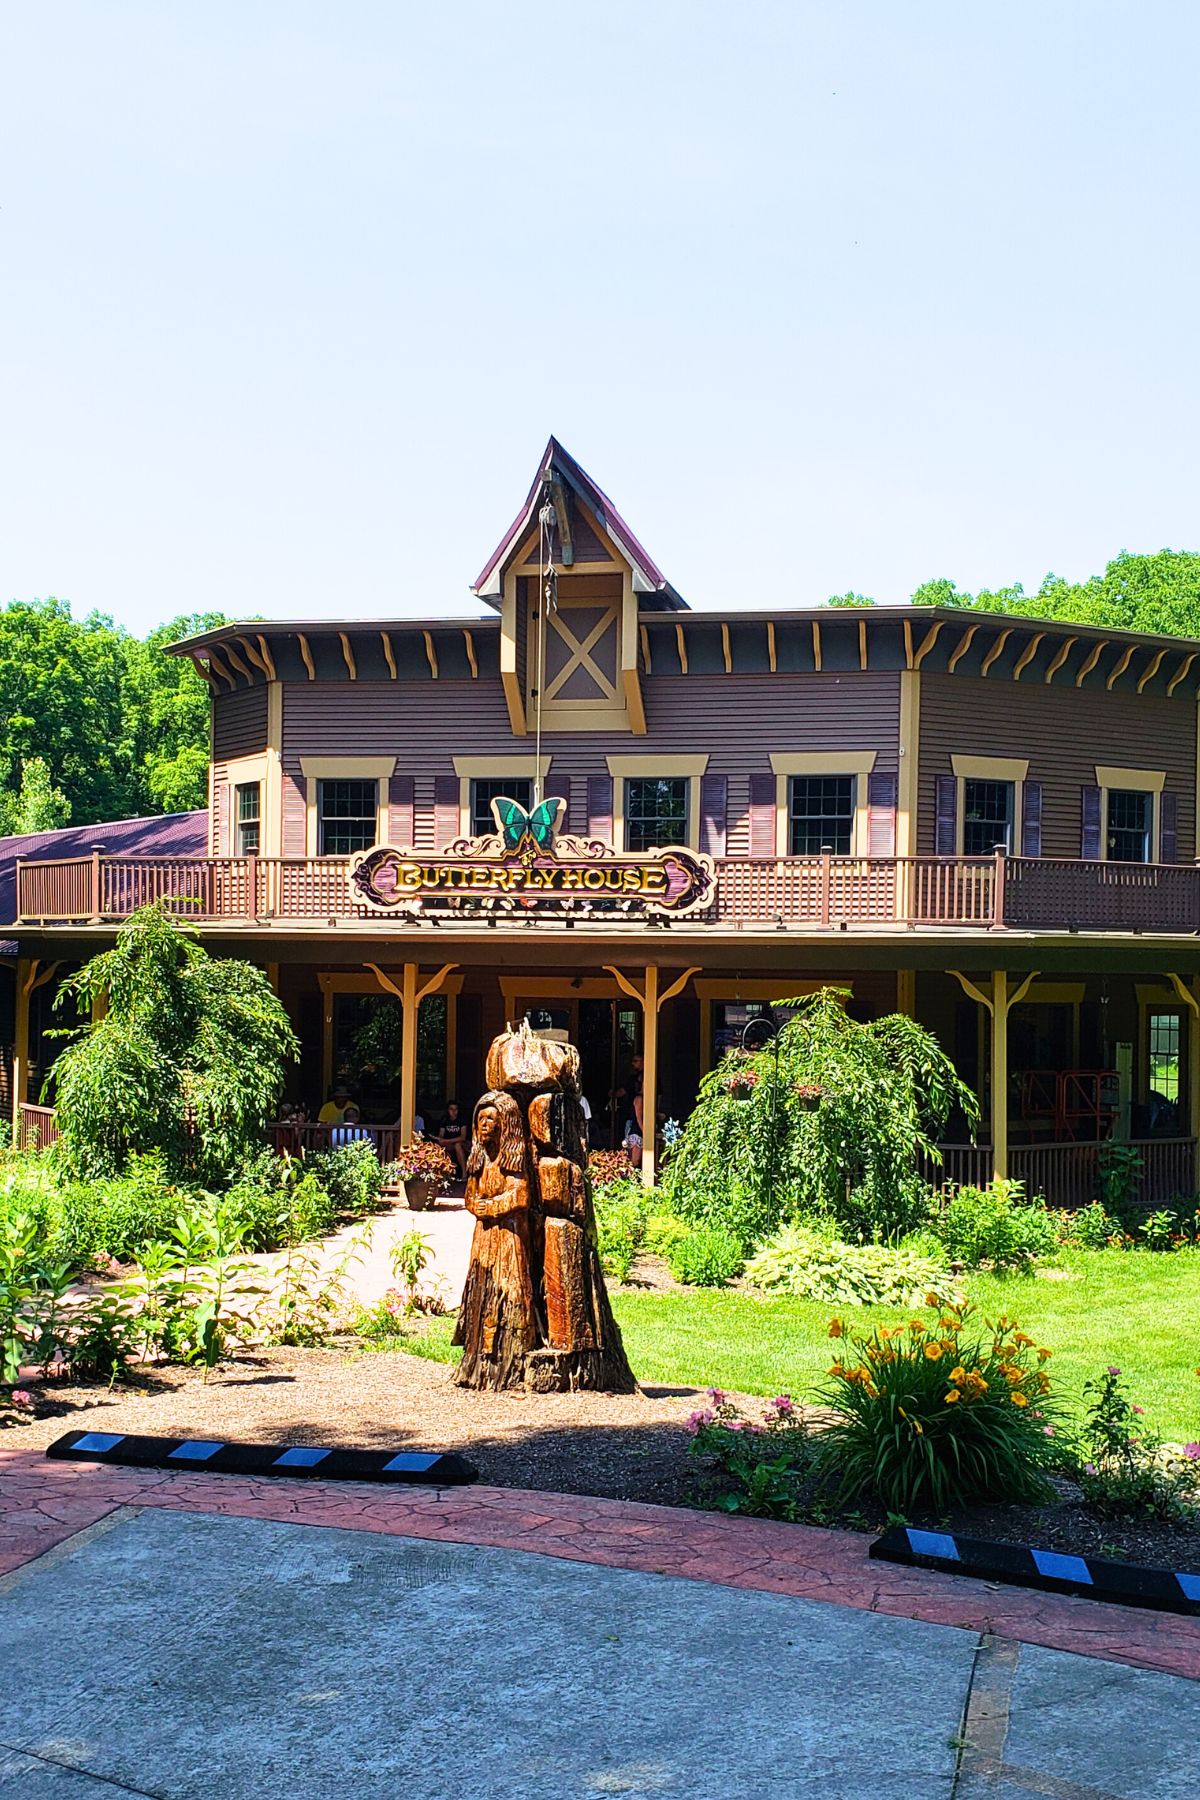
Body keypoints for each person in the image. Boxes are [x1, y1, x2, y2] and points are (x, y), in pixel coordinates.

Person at [452, 1091, 536, 1389]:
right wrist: (478, 1206)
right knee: (483, 1286)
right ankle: (481, 1343)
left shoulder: (510, 1158)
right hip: (484, 1235)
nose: (485, 1124)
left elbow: (521, 1193)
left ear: (504, 1125)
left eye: (491, 1118)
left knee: (510, 1286)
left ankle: (514, 1341)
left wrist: (495, 1206)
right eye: (481, 1119)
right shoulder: (480, 1159)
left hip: (509, 1234)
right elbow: (470, 1196)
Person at [436, 1100, 469, 1175]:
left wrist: (447, 1140)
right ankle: (443, 1173)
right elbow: (441, 1134)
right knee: (439, 1146)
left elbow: (463, 1137)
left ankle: (464, 1173)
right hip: (449, 1144)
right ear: (448, 1110)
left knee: (457, 1145)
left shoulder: (462, 1119)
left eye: (456, 1109)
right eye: (451, 1109)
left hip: (462, 1144)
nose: (453, 1111)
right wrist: (440, 1139)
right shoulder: (444, 1120)